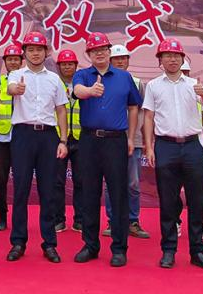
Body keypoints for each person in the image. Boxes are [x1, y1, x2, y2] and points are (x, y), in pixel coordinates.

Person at [143, 38, 203, 271]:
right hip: (166, 146)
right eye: (167, 56)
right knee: (168, 200)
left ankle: (197, 251)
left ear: (183, 58)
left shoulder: (193, 84)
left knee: (196, 199)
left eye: (176, 55)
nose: (172, 59)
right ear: (160, 60)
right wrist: (149, 147)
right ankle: (168, 250)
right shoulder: (153, 85)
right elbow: (148, 117)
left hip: (193, 146)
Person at [72, 32, 141, 268]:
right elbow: (77, 91)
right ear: (89, 54)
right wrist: (90, 91)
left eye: (103, 49)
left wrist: (131, 137)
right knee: (90, 193)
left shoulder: (124, 77)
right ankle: (90, 245)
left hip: (116, 141)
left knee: (119, 194)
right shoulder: (82, 75)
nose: (99, 53)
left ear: (109, 52)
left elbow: (133, 107)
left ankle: (119, 248)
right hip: (90, 140)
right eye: (94, 50)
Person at [5, 32, 68, 263]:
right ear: (24, 52)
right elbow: (11, 89)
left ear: (46, 52)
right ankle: (18, 242)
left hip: (48, 137)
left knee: (48, 192)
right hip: (22, 135)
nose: (35, 53)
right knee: (20, 189)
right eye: (30, 49)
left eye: (39, 49)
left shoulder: (54, 79)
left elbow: (61, 109)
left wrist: (63, 140)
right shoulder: (16, 74)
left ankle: (49, 243)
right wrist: (16, 90)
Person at [102, 44, 149, 240]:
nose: (121, 61)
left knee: (133, 183)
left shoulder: (137, 82)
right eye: (116, 59)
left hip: (133, 140)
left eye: (124, 58)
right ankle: (112, 221)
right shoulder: (102, 81)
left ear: (129, 60)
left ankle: (132, 221)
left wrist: (146, 141)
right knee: (110, 182)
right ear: (110, 61)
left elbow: (144, 113)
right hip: (109, 139)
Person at [179, 59, 203, 242]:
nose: (183, 75)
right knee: (175, 190)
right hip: (173, 148)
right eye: (180, 72)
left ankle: (200, 225)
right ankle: (176, 222)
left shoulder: (197, 90)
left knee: (197, 190)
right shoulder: (164, 89)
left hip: (197, 147)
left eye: (186, 72)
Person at [0, 44, 23, 231]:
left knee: (21, 179)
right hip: (2, 137)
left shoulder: (28, 79)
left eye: (16, 59)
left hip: (22, 137)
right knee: (0, 179)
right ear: (4, 62)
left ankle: (19, 217)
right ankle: (2, 216)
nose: (13, 62)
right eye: (9, 59)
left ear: (21, 61)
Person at [53, 49, 83, 232]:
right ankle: (58, 219)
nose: (67, 67)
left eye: (70, 64)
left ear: (76, 65)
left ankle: (79, 219)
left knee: (81, 181)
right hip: (59, 139)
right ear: (59, 66)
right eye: (64, 64)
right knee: (57, 181)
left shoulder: (83, 83)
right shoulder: (54, 84)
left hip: (80, 139)